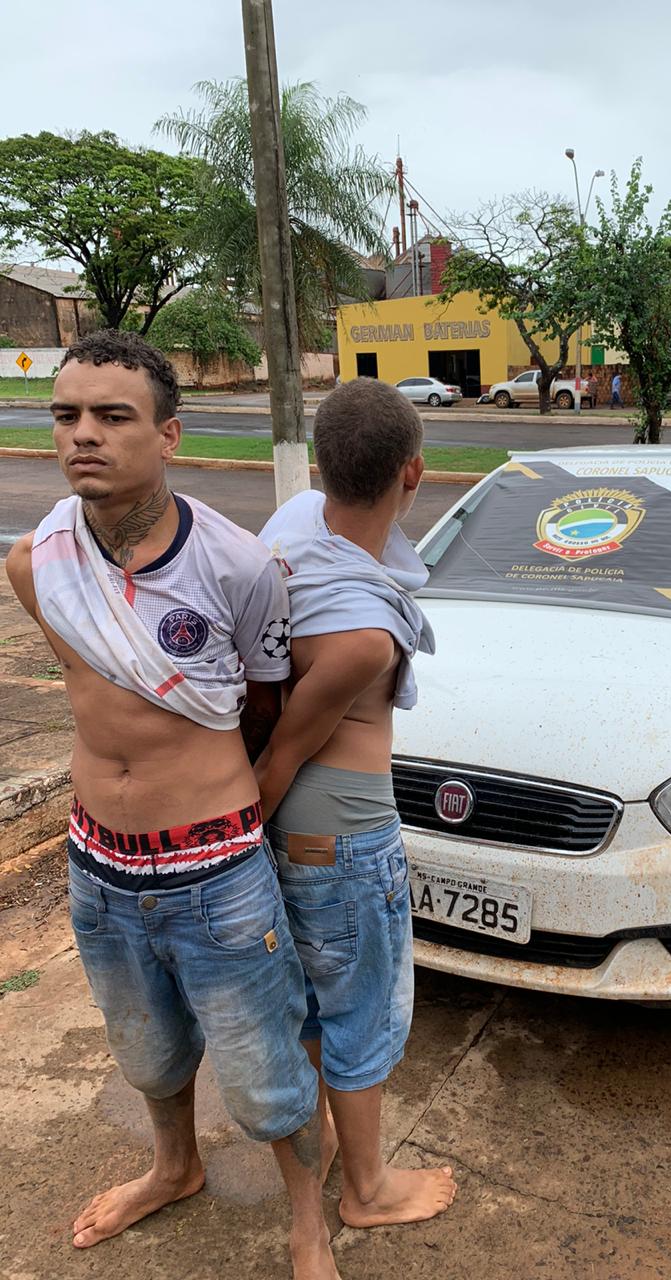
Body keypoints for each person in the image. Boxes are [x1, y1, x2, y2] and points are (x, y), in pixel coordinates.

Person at [5, 331, 338, 1280]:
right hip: (97, 863)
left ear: (169, 435)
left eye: (113, 416)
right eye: (67, 415)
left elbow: (264, 707)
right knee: (145, 1050)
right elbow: (90, 688)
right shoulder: (37, 564)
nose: (83, 435)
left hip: (216, 868)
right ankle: (174, 1167)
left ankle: (308, 1222)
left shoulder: (239, 567)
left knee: (267, 1070)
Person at [256, 379, 458, 1230]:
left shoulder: (293, 527)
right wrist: (240, 843)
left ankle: (335, 1136)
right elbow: (284, 752)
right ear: (412, 473)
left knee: (313, 995)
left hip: (301, 832)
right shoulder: (364, 638)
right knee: (366, 1009)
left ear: (320, 464)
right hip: (342, 836)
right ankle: (369, 1191)